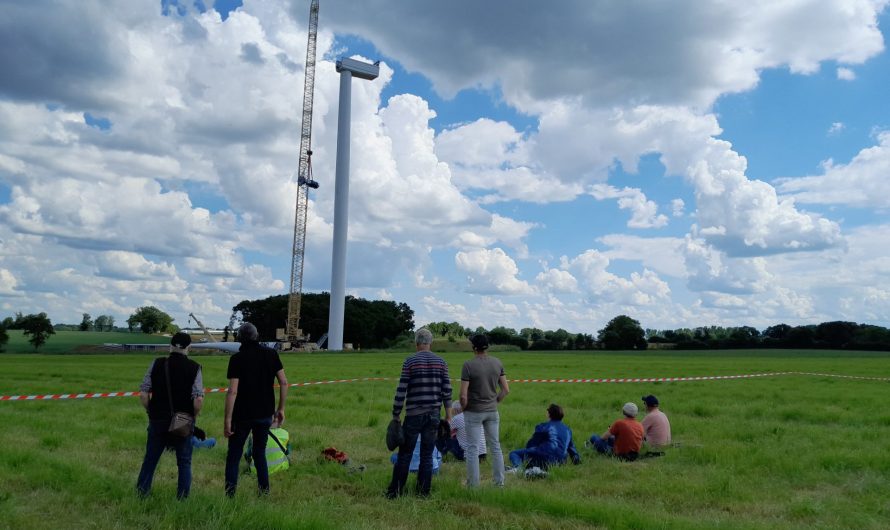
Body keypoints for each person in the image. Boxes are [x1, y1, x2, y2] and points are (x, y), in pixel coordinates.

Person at [136, 332, 204, 499]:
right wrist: (193, 417)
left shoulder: (157, 363)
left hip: (157, 419)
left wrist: (151, 411)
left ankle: (142, 493)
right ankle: (182, 498)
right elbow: (198, 400)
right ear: (189, 347)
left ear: (170, 346)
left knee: (150, 459)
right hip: (183, 421)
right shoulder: (195, 367)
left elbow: (143, 394)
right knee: (184, 462)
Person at [386, 328, 452, 498]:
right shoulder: (442, 362)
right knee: (427, 455)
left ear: (416, 343)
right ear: (431, 343)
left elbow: (401, 389)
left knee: (404, 454)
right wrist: (448, 414)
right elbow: (447, 390)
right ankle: (423, 493)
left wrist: (396, 413)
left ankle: (395, 492)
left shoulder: (410, 361)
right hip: (434, 415)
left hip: (413, 414)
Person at [224, 322, 288, 497]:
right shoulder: (271, 354)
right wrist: (281, 408)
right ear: (257, 336)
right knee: (259, 453)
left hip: (241, 415)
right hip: (265, 413)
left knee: (234, 455)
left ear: (239, 338)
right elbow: (283, 382)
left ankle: (230, 495)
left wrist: (227, 419)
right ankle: (264, 492)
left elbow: (233, 391)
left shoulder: (236, 359)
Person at [460, 334, 509, 487]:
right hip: (492, 411)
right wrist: (495, 401)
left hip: (473, 411)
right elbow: (506, 390)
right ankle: (499, 483)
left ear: (474, 347)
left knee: (473, 449)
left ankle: (473, 485)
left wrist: (463, 408)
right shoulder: (497, 363)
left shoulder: (468, 365)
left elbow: (463, 395)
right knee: (495, 446)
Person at [508, 403, 581, 470]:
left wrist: (528, 453)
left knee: (514, 453)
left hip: (544, 459)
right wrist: (577, 462)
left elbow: (532, 444)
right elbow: (573, 451)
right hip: (560, 463)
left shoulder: (543, 426)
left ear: (549, 414)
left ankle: (519, 469)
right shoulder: (568, 430)